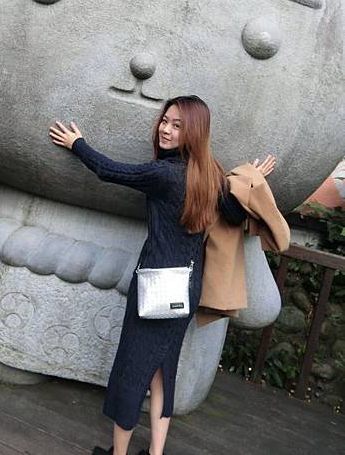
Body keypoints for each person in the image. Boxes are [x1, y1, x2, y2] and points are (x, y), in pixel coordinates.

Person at [49, 95, 275, 455]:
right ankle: (155, 452)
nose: (165, 130)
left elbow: (110, 171)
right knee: (161, 369)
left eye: (176, 125)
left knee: (131, 370)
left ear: (194, 133)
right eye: (165, 121)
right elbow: (234, 215)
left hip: (155, 286)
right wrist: (253, 180)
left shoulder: (163, 174)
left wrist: (78, 144)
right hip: (187, 287)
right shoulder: (212, 173)